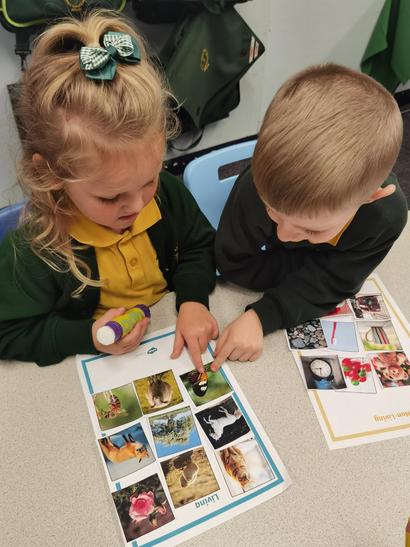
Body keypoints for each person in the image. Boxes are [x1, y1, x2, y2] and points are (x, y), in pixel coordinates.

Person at [0, 11, 218, 369]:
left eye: (149, 180)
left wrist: (193, 299)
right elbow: (7, 333)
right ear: (49, 173)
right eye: (110, 197)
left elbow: (199, 245)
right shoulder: (34, 250)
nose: (137, 204)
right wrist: (86, 336)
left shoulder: (167, 194)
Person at [212, 63, 408, 370]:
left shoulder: (385, 217)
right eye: (273, 213)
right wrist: (315, 270)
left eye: (311, 230)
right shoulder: (257, 188)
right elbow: (233, 263)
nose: (283, 235)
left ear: (369, 198)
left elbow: (336, 282)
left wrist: (265, 314)